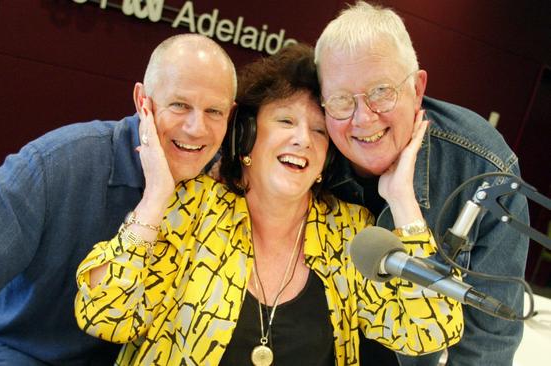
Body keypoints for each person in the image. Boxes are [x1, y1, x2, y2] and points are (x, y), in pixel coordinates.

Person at [74, 43, 463, 366]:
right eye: (285, 121)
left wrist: (403, 203)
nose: (302, 140)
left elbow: (431, 329)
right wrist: (156, 196)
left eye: (317, 130)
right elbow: (105, 316)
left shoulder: (348, 232)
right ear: (246, 134)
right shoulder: (193, 208)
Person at [0, 34, 236, 365]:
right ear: (142, 101)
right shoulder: (68, 159)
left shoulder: (222, 193)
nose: (197, 128)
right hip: (21, 353)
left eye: (214, 111)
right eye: (179, 105)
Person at [315, 2, 530, 366]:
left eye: (381, 91)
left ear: (417, 88)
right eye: (340, 100)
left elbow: (488, 341)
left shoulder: (483, 167)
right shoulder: (307, 151)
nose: (363, 118)